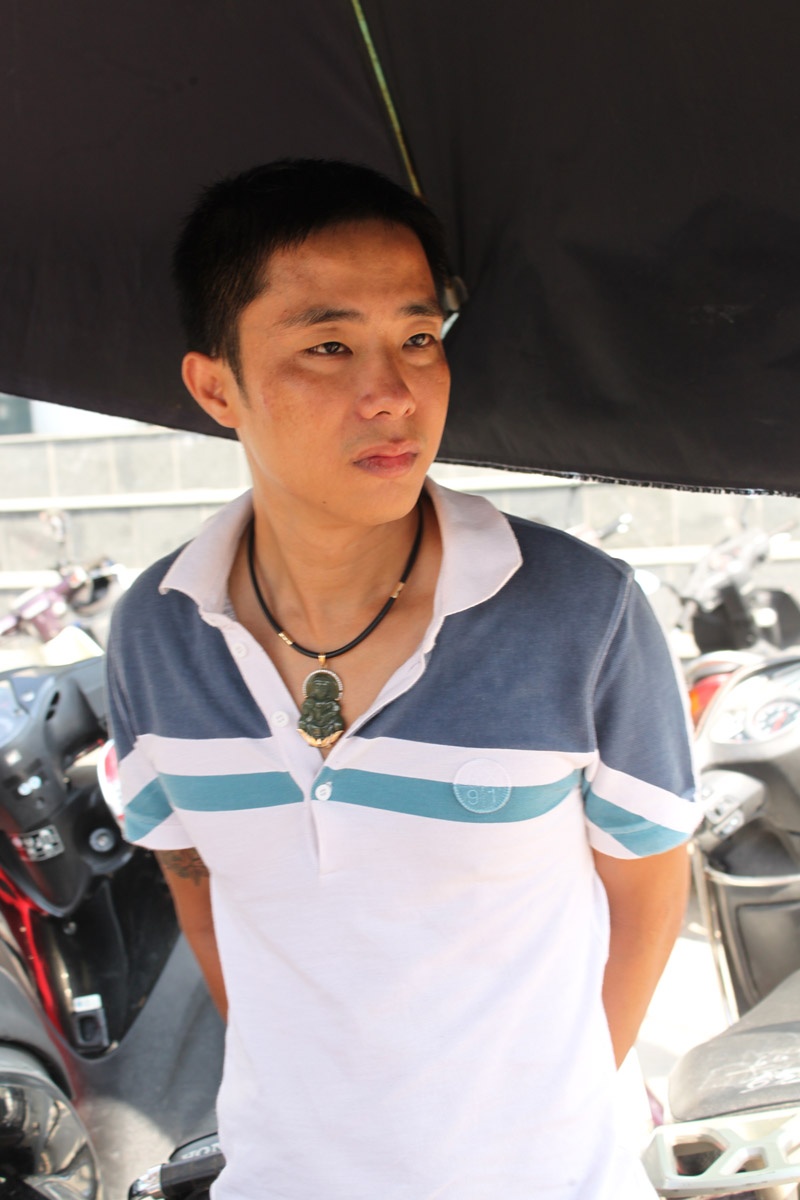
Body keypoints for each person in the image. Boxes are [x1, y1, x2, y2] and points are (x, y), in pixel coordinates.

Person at [106, 159, 698, 1200]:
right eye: (328, 346)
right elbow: (198, 882)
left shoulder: (579, 612)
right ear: (215, 388)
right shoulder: (157, 630)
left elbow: (647, 894)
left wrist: (541, 1117)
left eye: (419, 338)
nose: (394, 394)